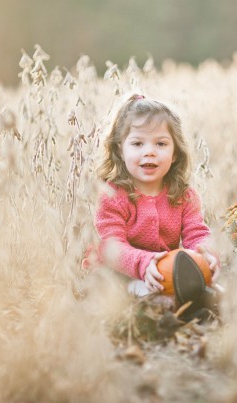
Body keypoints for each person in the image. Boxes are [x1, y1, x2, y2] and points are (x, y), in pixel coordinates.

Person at [93, 93, 221, 318]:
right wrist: (143, 263)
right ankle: (171, 314)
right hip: (122, 274)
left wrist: (205, 254)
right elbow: (112, 246)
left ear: (174, 154)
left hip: (165, 273)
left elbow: (197, 233)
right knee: (147, 294)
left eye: (161, 143)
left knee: (216, 290)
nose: (149, 151)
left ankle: (191, 307)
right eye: (137, 143)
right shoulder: (113, 196)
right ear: (120, 151)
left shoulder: (184, 195)